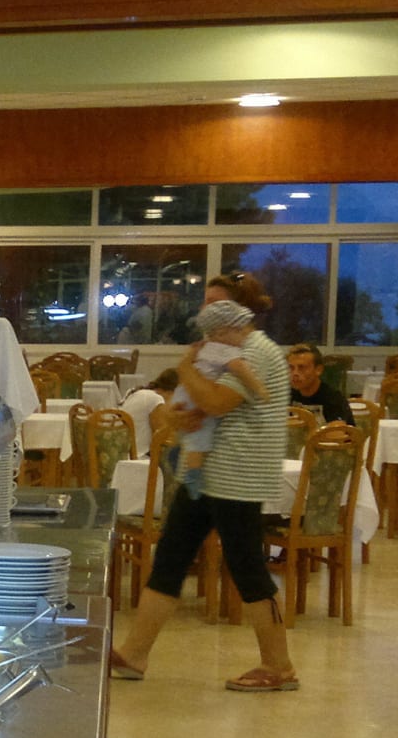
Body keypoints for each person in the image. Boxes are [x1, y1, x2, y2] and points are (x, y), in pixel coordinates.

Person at [110, 270, 297, 693]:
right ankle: (135, 653)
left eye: (215, 303)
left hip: (237, 474)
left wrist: (184, 367)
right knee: (171, 558)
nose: (205, 311)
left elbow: (215, 401)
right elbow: (191, 408)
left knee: (246, 566)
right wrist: (183, 412)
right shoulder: (220, 350)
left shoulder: (256, 351)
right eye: (205, 302)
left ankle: (279, 665)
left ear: (237, 310)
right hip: (205, 474)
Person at [164, 299, 269, 496]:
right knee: (200, 433)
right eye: (238, 330)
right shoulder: (224, 349)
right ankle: (193, 474)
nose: (243, 335)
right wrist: (259, 389)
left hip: (187, 391)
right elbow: (238, 369)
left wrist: (185, 366)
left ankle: (186, 465)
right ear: (222, 333)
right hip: (195, 393)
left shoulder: (207, 347)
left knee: (194, 435)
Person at [285, 342, 352, 425]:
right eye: (291, 368)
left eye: (302, 368)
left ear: (318, 370)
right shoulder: (287, 394)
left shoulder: (334, 399)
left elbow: (338, 432)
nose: (295, 373)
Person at [120, 368, 178, 457]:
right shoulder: (155, 399)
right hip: (141, 456)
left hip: (127, 454)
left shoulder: (139, 393)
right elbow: (162, 437)